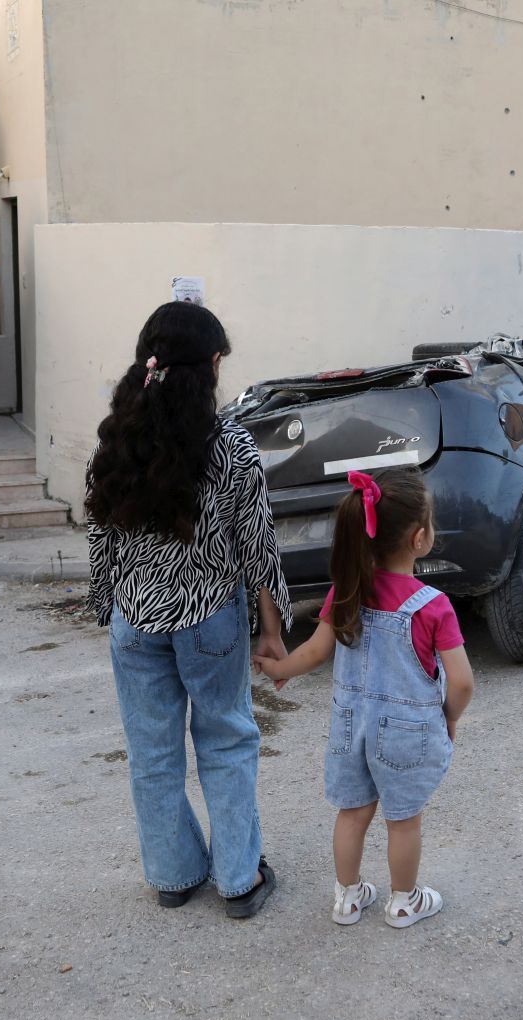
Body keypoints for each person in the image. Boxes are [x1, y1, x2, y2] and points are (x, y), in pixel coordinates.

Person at [86, 301, 292, 919]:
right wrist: (272, 628)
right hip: (210, 619)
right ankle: (238, 880)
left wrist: (109, 605)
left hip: (135, 619)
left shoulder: (117, 438)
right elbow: (255, 542)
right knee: (227, 740)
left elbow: (101, 536)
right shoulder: (230, 445)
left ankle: (173, 876)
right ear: (210, 367)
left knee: (152, 754)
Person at [253, 467, 473, 928]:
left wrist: (277, 668)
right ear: (419, 538)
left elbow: (314, 651)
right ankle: (403, 901)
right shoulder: (433, 605)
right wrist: (448, 716)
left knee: (352, 812)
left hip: (350, 725)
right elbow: (463, 682)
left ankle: (348, 899)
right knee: (403, 818)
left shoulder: (346, 592)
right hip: (407, 733)